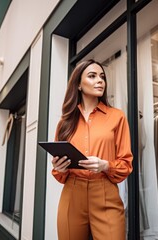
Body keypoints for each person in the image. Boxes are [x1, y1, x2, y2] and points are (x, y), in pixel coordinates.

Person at [51, 59, 133, 240]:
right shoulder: (65, 123)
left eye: (102, 77)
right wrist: (60, 167)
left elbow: (126, 164)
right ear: (78, 85)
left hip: (105, 192)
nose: (100, 80)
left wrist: (105, 165)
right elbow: (58, 174)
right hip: (72, 194)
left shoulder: (117, 117)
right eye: (92, 76)